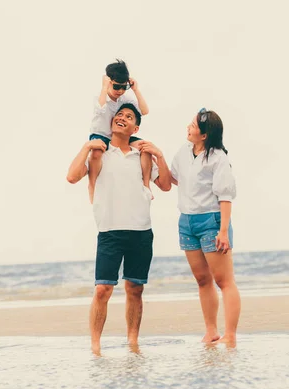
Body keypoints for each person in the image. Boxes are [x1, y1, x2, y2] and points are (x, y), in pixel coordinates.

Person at [67, 103, 171, 355]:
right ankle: (95, 345)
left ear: (135, 127)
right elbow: (72, 176)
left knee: (135, 288)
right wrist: (86, 146)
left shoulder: (142, 155)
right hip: (110, 231)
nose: (122, 118)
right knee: (103, 289)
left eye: (129, 116)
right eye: (120, 114)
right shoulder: (99, 152)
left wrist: (159, 154)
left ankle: (133, 342)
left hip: (140, 230)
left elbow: (166, 185)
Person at [170, 108, 241, 345]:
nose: (188, 127)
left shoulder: (218, 158)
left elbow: (225, 196)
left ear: (205, 134)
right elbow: (173, 178)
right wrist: (155, 156)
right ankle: (211, 331)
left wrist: (223, 231)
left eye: (192, 125)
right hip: (187, 221)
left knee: (224, 281)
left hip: (211, 221)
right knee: (202, 280)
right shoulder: (183, 152)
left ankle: (230, 335)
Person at [87, 59, 152, 203]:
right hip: (100, 135)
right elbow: (100, 109)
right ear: (109, 81)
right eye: (116, 86)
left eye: (124, 87)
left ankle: (146, 185)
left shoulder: (124, 98)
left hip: (119, 137)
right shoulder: (99, 97)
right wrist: (105, 87)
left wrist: (135, 89)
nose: (120, 91)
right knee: (97, 152)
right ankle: (92, 188)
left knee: (145, 148)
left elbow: (144, 111)